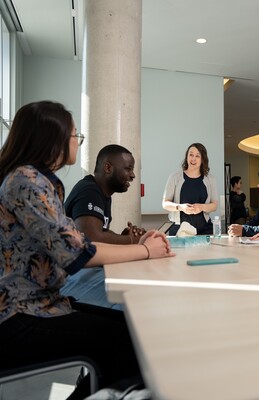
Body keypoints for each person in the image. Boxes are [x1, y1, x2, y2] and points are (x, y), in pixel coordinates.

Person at [0, 101, 174, 399]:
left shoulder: (35, 181)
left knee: (131, 329)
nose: (78, 142)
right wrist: (145, 250)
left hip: (42, 304)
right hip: (20, 316)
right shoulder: (27, 183)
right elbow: (79, 251)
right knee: (130, 340)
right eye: (74, 135)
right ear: (50, 138)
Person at [62, 144, 145, 310]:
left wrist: (124, 237)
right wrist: (135, 241)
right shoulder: (89, 191)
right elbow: (92, 240)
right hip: (68, 278)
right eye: (128, 169)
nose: (133, 175)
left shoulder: (101, 193)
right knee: (135, 296)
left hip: (78, 272)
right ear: (108, 168)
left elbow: (101, 232)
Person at [162, 143, 218, 235]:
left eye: (197, 156)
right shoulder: (175, 177)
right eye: (191, 154)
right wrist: (181, 207)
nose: (193, 159)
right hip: (179, 229)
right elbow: (165, 204)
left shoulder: (210, 179)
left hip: (204, 229)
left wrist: (201, 207)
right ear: (187, 156)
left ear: (202, 159)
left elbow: (214, 205)